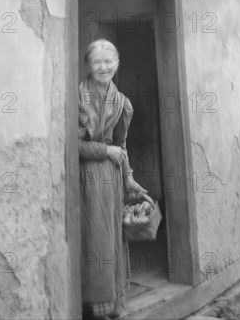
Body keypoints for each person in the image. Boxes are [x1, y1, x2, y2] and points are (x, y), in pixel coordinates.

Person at [79, 39, 153, 320]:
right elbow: (71, 146)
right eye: (97, 61)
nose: (103, 67)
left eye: (109, 61)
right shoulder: (77, 97)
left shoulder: (122, 103)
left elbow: (122, 146)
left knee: (113, 238)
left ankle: (112, 303)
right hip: (86, 177)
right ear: (88, 65)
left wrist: (129, 178)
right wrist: (103, 150)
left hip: (111, 178)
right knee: (94, 238)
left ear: (117, 63)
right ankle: (92, 306)